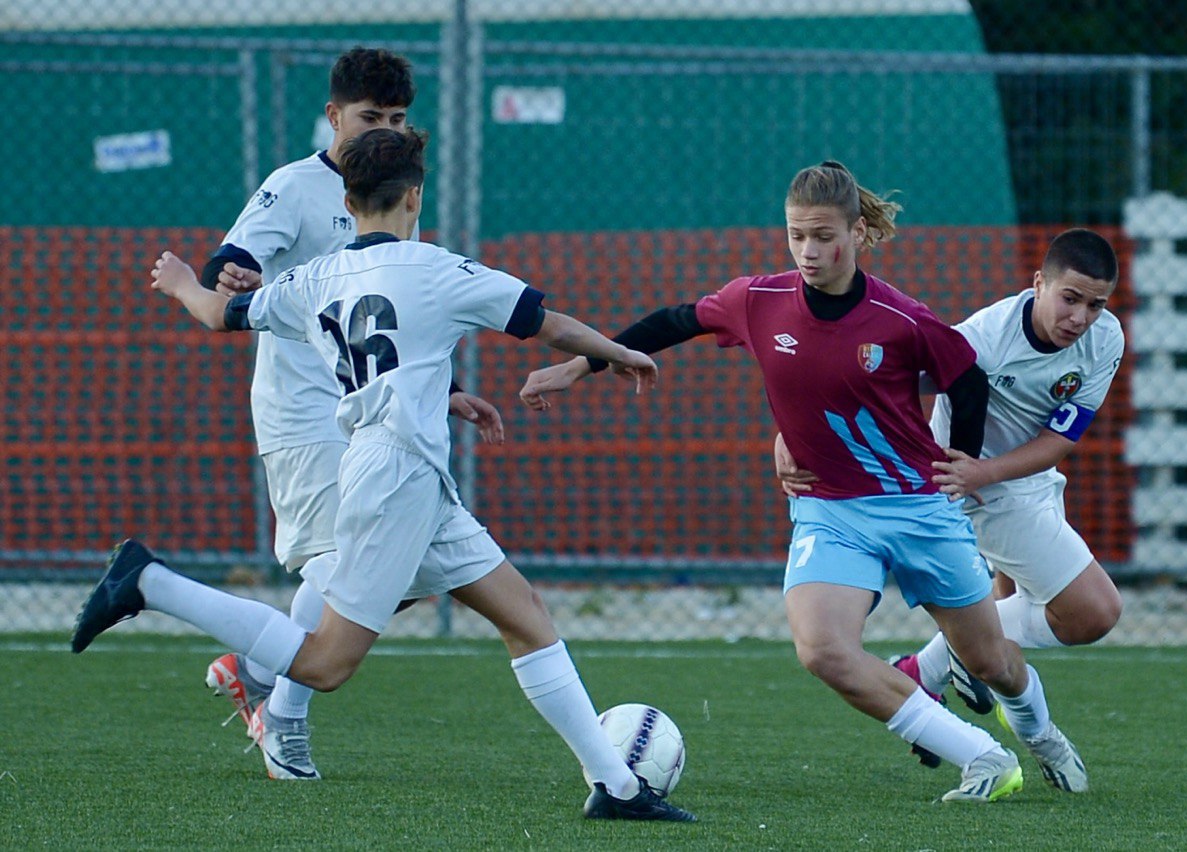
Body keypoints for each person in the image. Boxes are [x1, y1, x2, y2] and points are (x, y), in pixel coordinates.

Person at [72, 127, 696, 822]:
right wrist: (620, 353)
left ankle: (616, 788)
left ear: (347, 198)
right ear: (415, 196)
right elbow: (546, 323)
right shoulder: (437, 269)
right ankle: (149, 583)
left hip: (409, 475)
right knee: (323, 665)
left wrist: (185, 285)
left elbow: (223, 314)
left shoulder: (313, 279)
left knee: (526, 616)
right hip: (396, 478)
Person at [519, 160, 1088, 801]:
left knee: (995, 665)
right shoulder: (757, 300)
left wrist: (962, 458)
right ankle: (982, 756)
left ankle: (1043, 738)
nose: (809, 251)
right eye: (796, 235)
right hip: (829, 509)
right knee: (822, 650)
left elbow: (966, 378)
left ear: (858, 234)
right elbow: (674, 321)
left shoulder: (902, 319)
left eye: (823, 235)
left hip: (918, 508)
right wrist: (581, 365)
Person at [198, 46, 503, 779]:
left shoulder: (392, 193)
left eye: (397, 118)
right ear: (334, 115)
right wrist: (226, 272)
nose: (384, 131)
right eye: (370, 117)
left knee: (398, 570)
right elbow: (227, 264)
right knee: (350, 566)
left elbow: (399, 314)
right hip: (304, 417)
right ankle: (283, 714)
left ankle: (264, 668)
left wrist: (441, 391)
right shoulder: (295, 187)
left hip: (375, 419)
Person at [776, 228, 1125, 750]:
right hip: (966, 482)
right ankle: (946, 667)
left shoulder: (1106, 338)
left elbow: (1058, 441)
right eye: (1069, 299)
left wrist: (988, 472)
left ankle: (931, 666)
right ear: (1038, 285)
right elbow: (884, 379)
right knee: (1095, 612)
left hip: (1020, 478)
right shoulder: (983, 338)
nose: (1080, 317)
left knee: (1001, 633)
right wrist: (795, 430)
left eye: (1094, 305)